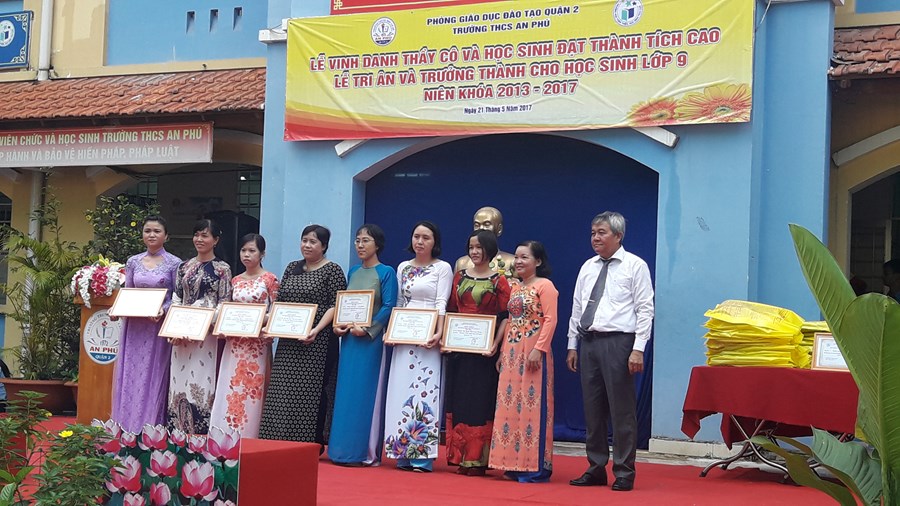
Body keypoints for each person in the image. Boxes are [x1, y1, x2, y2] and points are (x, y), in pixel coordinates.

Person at [566, 211, 654, 492]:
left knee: (621, 409)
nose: (595, 238)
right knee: (592, 409)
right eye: (593, 233)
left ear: (618, 235)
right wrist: (572, 344)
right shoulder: (588, 266)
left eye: (601, 233)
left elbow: (645, 309)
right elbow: (577, 307)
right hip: (589, 341)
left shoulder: (635, 265)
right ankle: (595, 467)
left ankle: (624, 471)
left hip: (619, 342)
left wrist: (638, 349)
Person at [259, 225, 347, 449]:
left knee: (310, 392)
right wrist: (269, 325)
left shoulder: (332, 270)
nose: (307, 245)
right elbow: (281, 303)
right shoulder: (292, 267)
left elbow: (336, 305)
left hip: (317, 342)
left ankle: (308, 444)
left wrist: (316, 330)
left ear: (324, 246)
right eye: (304, 240)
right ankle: (276, 439)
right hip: (288, 341)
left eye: (313, 241)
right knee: (282, 391)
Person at [383, 221, 452, 472]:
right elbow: (400, 302)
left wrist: (439, 333)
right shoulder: (403, 267)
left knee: (425, 390)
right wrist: (391, 330)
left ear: (435, 242)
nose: (420, 242)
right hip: (404, 335)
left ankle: (422, 455)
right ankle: (400, 450)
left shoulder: (442, 268)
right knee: (400, 390)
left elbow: (441, 302)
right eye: (416, 236)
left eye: (426, 237)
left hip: (427, 338)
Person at [489, 240, 558, 483]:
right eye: (517, 257)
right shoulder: (516, 287)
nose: (518, 261)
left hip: (533, 352)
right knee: (510, 408)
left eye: (524, 257)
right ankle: (512, 463)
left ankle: (534, 467)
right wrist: (502, 352)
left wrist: (539, 349)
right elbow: (510, 320)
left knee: (531, 408)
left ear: (537, 261)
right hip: (512, 352)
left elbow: (550, 319)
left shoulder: (545, 286)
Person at [329, 224, 397, 466]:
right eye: (357, 240)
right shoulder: (353, 271)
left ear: (377, 245)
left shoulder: (386, 272)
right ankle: (340, 450)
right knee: (345, 393)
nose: (360, 245)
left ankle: (362, 452)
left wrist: (368, 330)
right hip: (349, 340)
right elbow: (346, 304)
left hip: (370, 342)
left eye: (365, 240)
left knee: (365, 394)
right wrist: (338, 325)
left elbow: (389, 305)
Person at [444, 230, 510, 476]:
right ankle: (461, 457)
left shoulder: (499, 281)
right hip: (460, 349)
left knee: (480, 402)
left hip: (485, 351)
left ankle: (478, 460)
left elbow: (506, 316)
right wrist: (446, 339)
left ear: (489, 250)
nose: (474, 252)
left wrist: (496, 344)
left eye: (479, 247)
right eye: (471, 247)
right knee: (460, 400)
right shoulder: (459, 277)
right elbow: (451, 310)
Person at [111, 215, 181, 433]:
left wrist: (164, 309)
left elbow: (177, 297)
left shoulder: (175, 263)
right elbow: (128, 292)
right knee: (131, 373)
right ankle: (125, 426)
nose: (151, 235)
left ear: (166, 236)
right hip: (134, 328)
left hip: (157, 327)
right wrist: (117, 310)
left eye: (157, 231)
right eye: (147, 231)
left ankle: (150, 428)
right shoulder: (133, 261)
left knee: (153, 374)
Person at [167, 219, 233, 435]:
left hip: (206, 336)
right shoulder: (183, 267)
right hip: (180, 333)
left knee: (201, 380)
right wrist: (174, 328)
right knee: (178, 380)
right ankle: (178, 432)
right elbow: (177, 298)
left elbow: (224, 302)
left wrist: (205, 324)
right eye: (196, 234)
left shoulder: (223, 269)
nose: (199, 239)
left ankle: (201, 433)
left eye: (205, 235)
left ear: (216, 240)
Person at [209, 234, 278, 438]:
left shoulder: (270, 279)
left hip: (256, 344)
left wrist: (261, 322)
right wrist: (222, 325)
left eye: (252, 251)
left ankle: (249, 434)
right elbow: (228, 310)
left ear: (262, 254)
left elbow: (276, 311)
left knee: (252, 388)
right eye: (243, 250)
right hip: (235, 343)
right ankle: (225, 433)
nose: (247, 255)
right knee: (231, 385)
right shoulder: (236, 280)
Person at [454, 206, 515, 279]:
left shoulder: (512, 261)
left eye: (487, 225)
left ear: (499, 229)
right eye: (477, 225)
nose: (481, 229)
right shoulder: (462, 263)